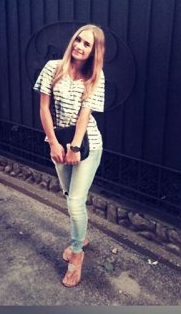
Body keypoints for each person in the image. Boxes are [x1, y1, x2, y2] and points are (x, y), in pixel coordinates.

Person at [33, 24, 105, 287]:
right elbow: (44, 108)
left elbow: (85, 113)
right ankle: (82, 236)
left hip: (87, 143)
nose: (79, 46)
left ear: (94, 51)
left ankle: (77, 254)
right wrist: (54, 143)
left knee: (75, 201)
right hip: (58, 142)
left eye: (87, 44)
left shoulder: (96, 76)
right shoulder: (53, 67)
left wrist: (75, 148)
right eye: (78, 40)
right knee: (69, 195)